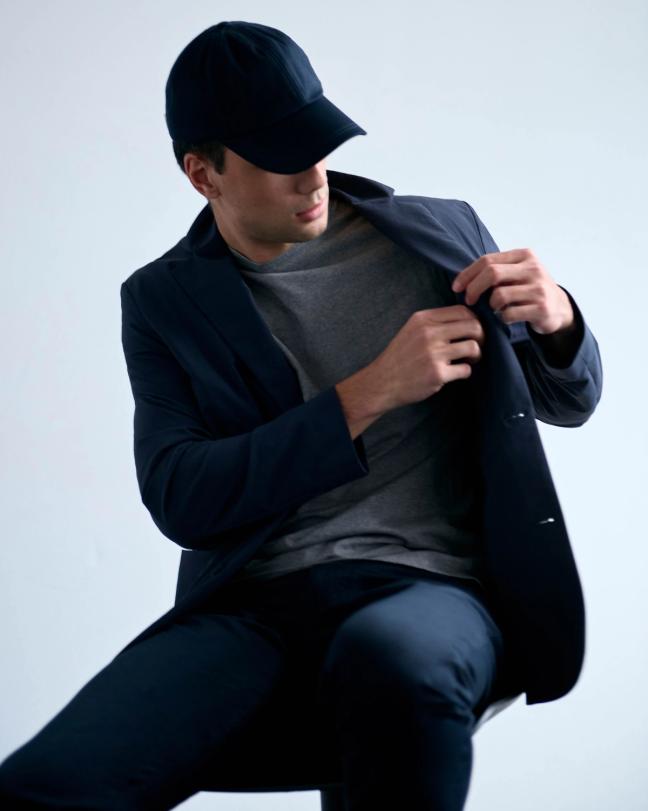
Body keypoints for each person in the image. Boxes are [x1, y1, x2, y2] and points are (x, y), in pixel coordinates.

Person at [0, 20, 603, 811]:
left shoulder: (439, 234)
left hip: (432, 586)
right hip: (257, 608)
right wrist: (367, 392)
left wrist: (559, 319)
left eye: (317, 142)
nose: (312, 174)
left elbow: (569, 400)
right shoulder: (162, 300)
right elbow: (182, 494)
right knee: (44, 782)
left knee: (391, 660)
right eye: (280, 157)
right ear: (202, 174)